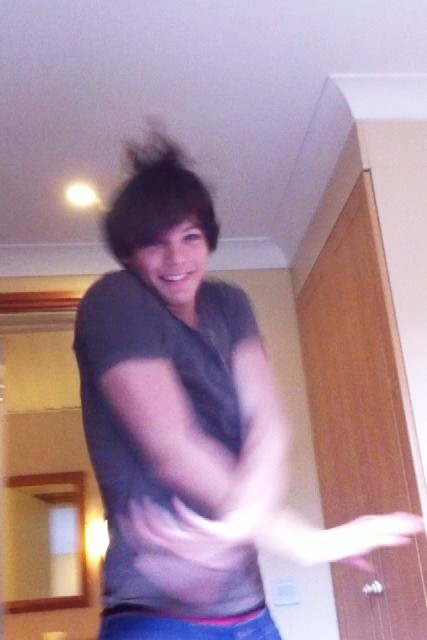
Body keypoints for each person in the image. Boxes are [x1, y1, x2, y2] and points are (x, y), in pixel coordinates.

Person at [74, 136, 423, 640]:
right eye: (154, 243)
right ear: (129, 254)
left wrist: (240, 524)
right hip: (157, 612)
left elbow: (268, 425)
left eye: (190, 236)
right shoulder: (115, 299)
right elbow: (175, 446)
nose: (176, 258)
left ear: (209, 240)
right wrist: (302, 542)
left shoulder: (229, 304)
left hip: (249, 611)